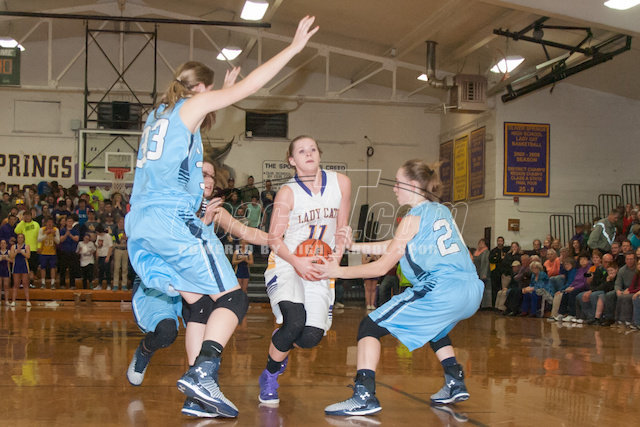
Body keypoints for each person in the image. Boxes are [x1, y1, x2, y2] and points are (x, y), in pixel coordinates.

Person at [125, 16, 318, 418]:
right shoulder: (190, 105)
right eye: (210, 91)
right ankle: (203, 373)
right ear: (199, 88)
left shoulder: (157, 115)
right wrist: (293, 49)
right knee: (233, 298)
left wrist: (223, 93)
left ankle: (197, 398)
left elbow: (194, 124)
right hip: (172, 220)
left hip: (140, 223)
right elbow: (251, 88)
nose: (212, 98)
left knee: (201, 304)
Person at [317, 158, 483, 416]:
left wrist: (337, 272)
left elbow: (381, 267)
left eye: (398, 183)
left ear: (414, 185)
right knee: (435, 328)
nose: (394, 188)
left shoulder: (412, 217)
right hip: (471, 289)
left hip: (441, 288)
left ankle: (363, 396)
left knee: (369, 327)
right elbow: (397, 245)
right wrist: (354, 246)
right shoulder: (442, 211)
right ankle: (454, 380)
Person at [127, 157, 269, 419]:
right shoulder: (173, 204)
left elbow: (247, 233)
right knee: (166, 332)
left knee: (203, 308)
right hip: (160, 279)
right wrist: (203, 221)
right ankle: (146, 350)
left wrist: (279, 240)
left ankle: (197, 394)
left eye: (212, 175)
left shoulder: (213, 209)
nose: (208, 179)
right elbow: (174, 246)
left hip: (188, 279)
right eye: (203, 173)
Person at [258, 134, 351, 405]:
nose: (308, 154)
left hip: (320, 266)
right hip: (288, 262)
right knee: (294, 321)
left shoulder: (341, 183)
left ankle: (282, 342)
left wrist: (336, 258)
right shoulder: (288, 192)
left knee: (310, 337)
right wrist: (297, 262)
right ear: (292, 160)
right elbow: (274, 239)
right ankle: (269, 377)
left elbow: (342, 228)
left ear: (319, 154)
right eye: (301, 151)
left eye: (312, 149)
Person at [37, 217, 59, 289]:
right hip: (43, 252)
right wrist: (46, 234)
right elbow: (39, 239)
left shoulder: (56, 230)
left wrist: (54, 235)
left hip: (52, 252)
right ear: (46, 223)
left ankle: (53, 283)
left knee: (53, 267)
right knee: (43, 267)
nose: (50, 224)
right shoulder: (42, 229)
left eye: (51, 222)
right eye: (48, 222)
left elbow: (58, 241)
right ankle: (43, 283)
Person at [10, 233, 31, 307]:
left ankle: (28, 301)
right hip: (16, 266)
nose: (20, 239)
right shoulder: (13, 247)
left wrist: (21, 252)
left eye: (21, 237)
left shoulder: (26, 246)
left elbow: (28, 256)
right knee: (16, 284)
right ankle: (13, 301)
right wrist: (16, 252)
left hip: (24, 266)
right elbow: (11, 256)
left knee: (25, 283)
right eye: (19, 237)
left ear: (23, 239)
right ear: (17, 238)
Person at [488, 236, 508, 307]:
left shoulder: (506, 250)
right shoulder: (493, 251)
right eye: (499, 241)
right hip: (495, 273)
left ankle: (502, 305)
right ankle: (494, 305)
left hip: (504, 273)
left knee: (503, 289)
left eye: (501, 241)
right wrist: (500, 259)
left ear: (503, 242)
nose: (500, 242)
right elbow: (491, 260)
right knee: (495, 289)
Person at [472, 238, 491, 308]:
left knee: (484, 289)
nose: (480, 244)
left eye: (482, 243)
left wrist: (484, 274)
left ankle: (484, 305)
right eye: (479, 243)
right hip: (476, 272)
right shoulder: (476, 252)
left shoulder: (486, 252)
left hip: (482, 273)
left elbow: (485, 263)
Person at [0, 239, 11, 305]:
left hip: (6, 270)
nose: (3, 244)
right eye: (1, 243)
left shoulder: (9, 252)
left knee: (6, 286)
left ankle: (6, 301)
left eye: (4, 243)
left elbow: (12, 260)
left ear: (6, 245)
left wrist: (7, 259)